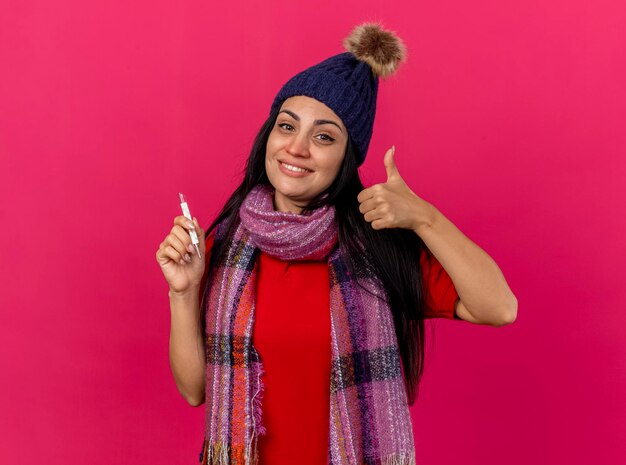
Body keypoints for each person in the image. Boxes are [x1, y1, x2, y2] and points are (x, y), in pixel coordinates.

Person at [156, 22, 518, 465]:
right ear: (268, 135)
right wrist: (184, 290)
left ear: (347, 157)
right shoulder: (228, 243)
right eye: (286, 126)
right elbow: (195, 390)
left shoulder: (378, 248)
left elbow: (499, 307)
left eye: (323, 136)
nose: (297, 147)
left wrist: (426, 218)